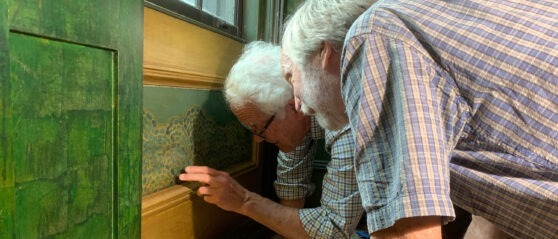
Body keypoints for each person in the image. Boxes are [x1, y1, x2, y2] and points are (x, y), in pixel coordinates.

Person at [281, 0, 558, 238]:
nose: (295, 102)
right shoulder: (431, 34)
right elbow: (496, 214)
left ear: (323, 53)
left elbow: (405, 233)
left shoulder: (373, 35)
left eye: (290, 76)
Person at [179, 41, 364, 238]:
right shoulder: (292, 117)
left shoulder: (347, 116)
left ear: (294, 106)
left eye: (261, 129)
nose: (258, 140)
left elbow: (335, 228)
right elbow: (291, 192)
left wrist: (244, 201)